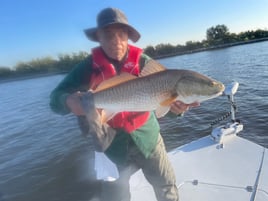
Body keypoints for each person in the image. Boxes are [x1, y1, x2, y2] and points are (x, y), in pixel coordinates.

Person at [50, 7, 198, 201]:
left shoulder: (145, 63)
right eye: (108, 35)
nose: (116, 42)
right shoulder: (86, 68)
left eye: (121, 34)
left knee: (166, 187)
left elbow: (163, 104)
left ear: (128, 36)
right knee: (115, 197)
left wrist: (176, 110)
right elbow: (55, 99)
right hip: (112, 146)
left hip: (149, 139)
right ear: (98, 38)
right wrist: (67, 101)